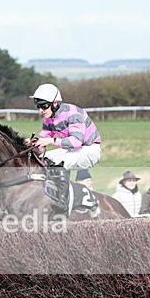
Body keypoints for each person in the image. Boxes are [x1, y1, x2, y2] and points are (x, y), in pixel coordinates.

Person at [24, 83, 101, 211]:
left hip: (90, 149)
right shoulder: (49, 118)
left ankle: (63, 202)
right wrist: (32, 144)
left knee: (59, 162)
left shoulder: (74, 113)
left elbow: (76, 141)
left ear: (55, 103)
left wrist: (50, 141)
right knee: (42, 160)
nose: (41, 110)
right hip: (71, 150)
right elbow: (42, 141)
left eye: (44, 106)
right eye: (38, 106)